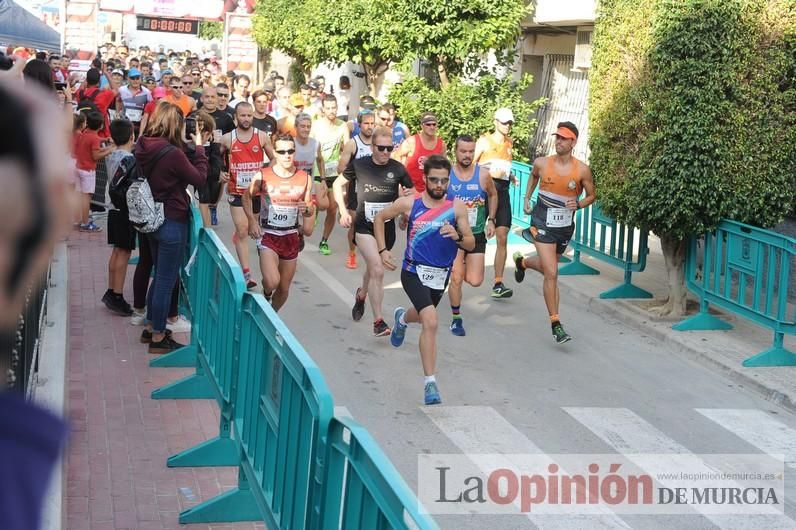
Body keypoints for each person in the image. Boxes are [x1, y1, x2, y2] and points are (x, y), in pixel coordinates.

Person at [375, 154, 475, 405]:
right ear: (425, 179)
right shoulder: (410, 203)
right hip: (413, 271)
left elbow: (471, 242)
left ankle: (401, 318)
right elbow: (379, 218)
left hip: (440, 275)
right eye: (434, 180)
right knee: (430, 320)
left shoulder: (457, 207)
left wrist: (457, 236)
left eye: (444, 181)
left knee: (421, 314)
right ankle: (430, 383)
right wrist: (383, 250)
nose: (439, 185)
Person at [135, 101, 207, 353]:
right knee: (166, 280)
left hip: (151, 219)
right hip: (171, 220)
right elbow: (199, 178)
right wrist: (199, 148)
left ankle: (150, 327)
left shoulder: (142, 144)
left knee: (160, 275)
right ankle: (157, 337)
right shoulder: (172, 153)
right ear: (174, 124)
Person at [514, 121, 596, 344]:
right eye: (557, 137)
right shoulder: (542, 163)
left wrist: (579, 205)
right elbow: (532, 177)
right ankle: (555, 323)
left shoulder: (582, 170)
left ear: (573, 142)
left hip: (564, 227)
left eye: (564, 138)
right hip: (541, 221)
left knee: (548, 267)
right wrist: (526, 198)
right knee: (552, 273)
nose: (558, 141)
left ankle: (523, 263)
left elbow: (591, 195)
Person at [333, 126, 413, 337]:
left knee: (372, 269)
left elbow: (410, 195)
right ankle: (379, 321)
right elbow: (337, 184)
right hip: (364, 226)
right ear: (372, 146)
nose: (386, 152)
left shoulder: (398, 169)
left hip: (387, 229)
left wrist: (405, 215)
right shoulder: (359, 165)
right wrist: (342, 211)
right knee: (377, 269)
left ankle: (362, 294)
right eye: (381, 148)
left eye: (389, 148)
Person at [243, 135, 313, 310]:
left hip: (290, 236)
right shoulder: (263, 175)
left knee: (283, 290)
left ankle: (271, 317)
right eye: (282, 152)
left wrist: (306, 209)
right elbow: (246, 197)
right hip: (268, 235)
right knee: (272, 281)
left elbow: (309, 208)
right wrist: (252, 221)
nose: (287, 155)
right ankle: (266, 293)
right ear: (274, 153)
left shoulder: (304, 178)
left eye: (290, 151)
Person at [218, 102, 275, 289]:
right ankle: (246, 273)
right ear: (236, 117)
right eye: (242, 115)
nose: (246, 119)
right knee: (243, 228)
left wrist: (268, 173)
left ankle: (246, 242)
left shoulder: (262, 137)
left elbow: (274, 157)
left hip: (256, 192)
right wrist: (221, 172)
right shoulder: (228, 139)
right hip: (236, 191)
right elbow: (216, 158)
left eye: (249, 116)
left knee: (254, 230)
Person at [446, 135, 497, 336]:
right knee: (456, 278)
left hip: (475, 235)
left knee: (475, 281)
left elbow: (493, 195)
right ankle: (456, 319)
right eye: (463, 151)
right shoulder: (448, 175)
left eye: (470, 151)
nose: (467, 155)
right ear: (455, 151)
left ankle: (460, 266)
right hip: (454, 236)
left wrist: (491, 219)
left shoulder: (483, 175)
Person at [474, 107, 516, 299]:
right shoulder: (484, 141)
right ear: (495, 122)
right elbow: (471, 165)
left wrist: (511, 175)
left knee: (502, 236)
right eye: (504, 122)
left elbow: (504, 166)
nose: (508, 126)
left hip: (503, 192)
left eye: (510, 123)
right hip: (483, 193)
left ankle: (498, 283)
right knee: (471, 235)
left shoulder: (510, 143)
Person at [103, 119, 137, 315]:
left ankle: (111, 290)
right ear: (132, 136)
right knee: (124, 252)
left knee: (117, 251)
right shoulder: (129, 159)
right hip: (124, 210)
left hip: (112, 208)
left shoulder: (111, 155)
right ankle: (117, 295)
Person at [336, 109, 376, 268]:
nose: (369, 126)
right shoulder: (353, 143)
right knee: (355, 223)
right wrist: (355, 172)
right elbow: (340, 168)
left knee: (376, 222)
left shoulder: (378, 143)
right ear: (359, 125)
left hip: (375, 189)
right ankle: (352, 252)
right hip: (356, 190)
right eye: (366, 123)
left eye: (372, 123)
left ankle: (376, 252)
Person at [311, 95, 350, 258]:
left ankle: (324, 240)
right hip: (319, 171)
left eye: (334, 107)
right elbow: (311, 149)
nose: (331, 110)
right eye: (328, 108)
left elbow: (347, 149)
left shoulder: (342, 126)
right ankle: (314, 214)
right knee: (321, 205)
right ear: (323, 109)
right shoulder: (316, 126)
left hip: (335, 171)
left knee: (333, 208)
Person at [73, 111, 114, 231]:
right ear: (101, 125)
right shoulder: (94, 138)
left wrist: (104, 141)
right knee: (87, 198)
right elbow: (95, 156)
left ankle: (79, 219)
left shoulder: (84, 133)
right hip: (88, 171)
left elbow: (91, 142)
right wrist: (109, 150)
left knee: (80, 196)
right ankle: (85, 223)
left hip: (78, 168)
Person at [393, 111, 446, 192]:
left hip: (431, 191)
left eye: (434, 124)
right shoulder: (412, 141)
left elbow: (444, 167)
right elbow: (396, 156)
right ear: (422, 125)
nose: (431, 127)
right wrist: (401, 180)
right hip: (411, 190)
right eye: (428, 124)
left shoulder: (441, 144)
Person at [192, 110, 224, 228]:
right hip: (200, 171)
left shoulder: (211, 140)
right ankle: (207, 227)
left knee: (213, 195)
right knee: (203, 195)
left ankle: (213, 208)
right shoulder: (189, 143)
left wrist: (215, 144)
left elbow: (216, 165)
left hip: (210, 166)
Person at [293, 112, 329, 211]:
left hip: (308, 185)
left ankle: (313, 214)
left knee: (323, 205)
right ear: (295, 127)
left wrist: (323, 180)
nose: (306, 129)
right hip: (292, 186)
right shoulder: (291, 143)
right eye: (303, 126)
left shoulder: (315, 144)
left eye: (308, 127)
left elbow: (320, 160)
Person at [116, 67, 151, 137]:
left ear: (140, 79)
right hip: (125, 125)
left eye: (137, 78)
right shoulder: (122, 90)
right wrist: (117, 112)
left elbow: (150, 107)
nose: (135, 81)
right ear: (128, 79)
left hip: (139, 125)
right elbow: (118, 100)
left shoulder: (146, 92)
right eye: (133, 78)